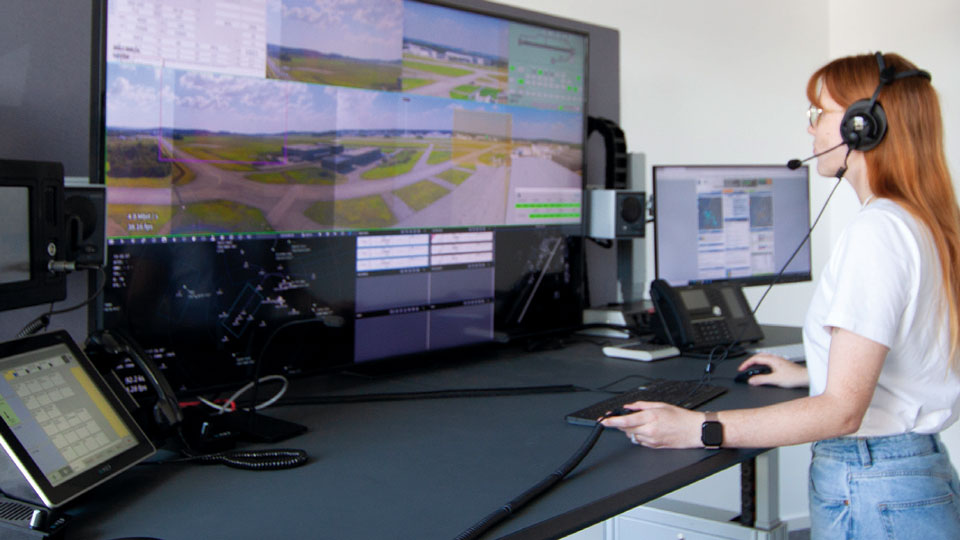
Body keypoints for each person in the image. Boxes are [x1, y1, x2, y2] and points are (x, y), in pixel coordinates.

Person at [602, 52, 960, 539]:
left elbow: (842, 412)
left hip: (872, 485)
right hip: (908, 476)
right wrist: (811, 373)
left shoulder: (877, 232)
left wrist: (700, 428)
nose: (810, 129)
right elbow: (912, 358)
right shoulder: (921, 221)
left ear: (861, 126)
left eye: (819, 113)